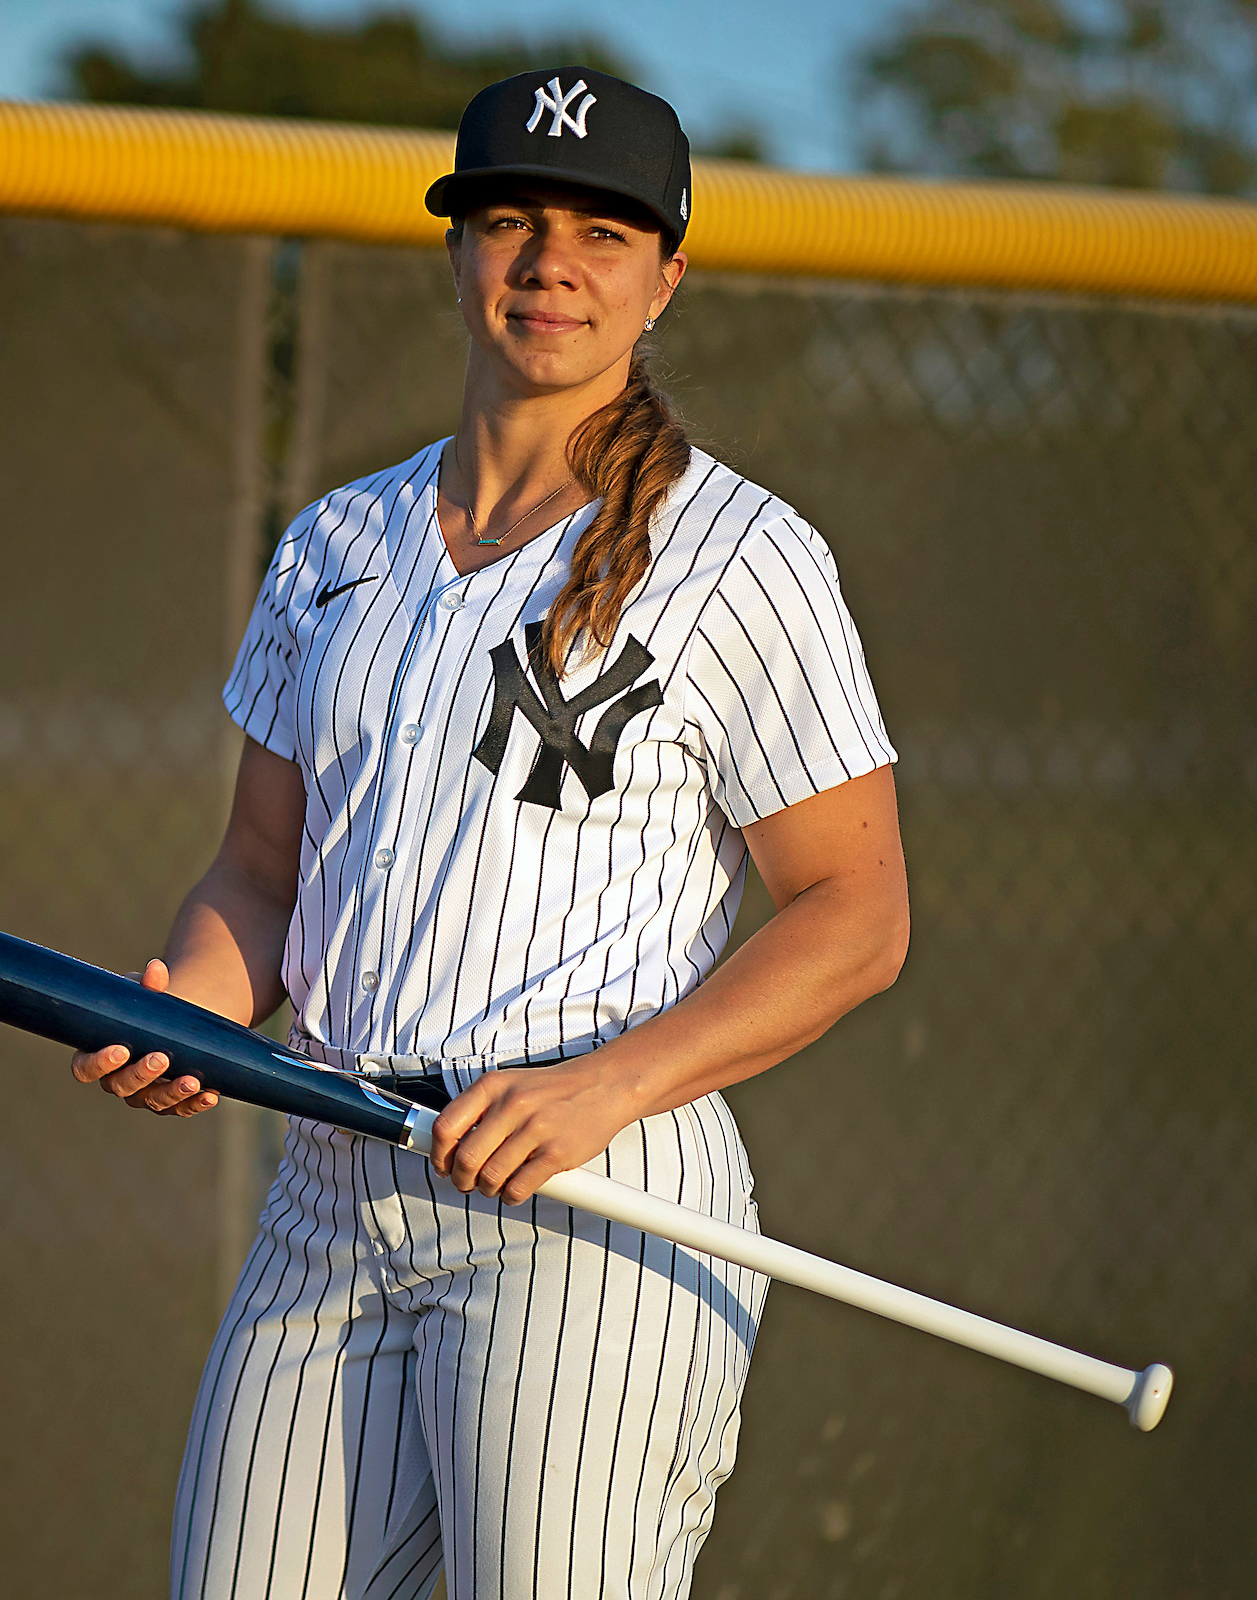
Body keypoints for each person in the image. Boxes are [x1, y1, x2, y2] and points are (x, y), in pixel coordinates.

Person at [70, 69, 909, 1600]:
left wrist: (606, 1089)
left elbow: (855, 913)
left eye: (602, 231)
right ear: (455, 250)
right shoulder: (334, 545)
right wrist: (190, 1005)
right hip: (331, 1196)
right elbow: (260, 875)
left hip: (595, 1207)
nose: (550, 263)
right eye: (511, 219)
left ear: (665, 278)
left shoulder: (744, 557)